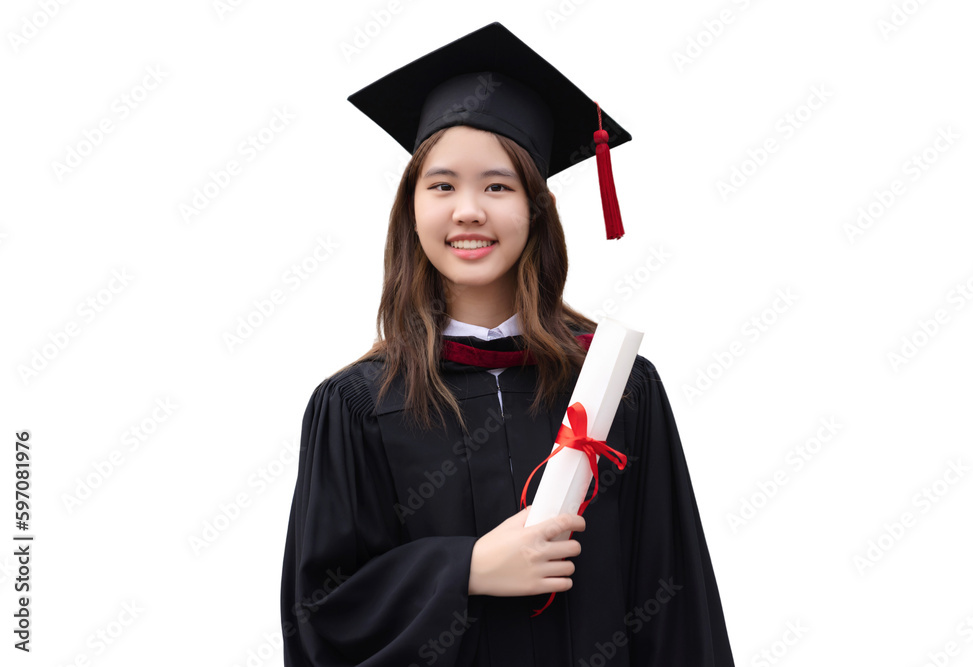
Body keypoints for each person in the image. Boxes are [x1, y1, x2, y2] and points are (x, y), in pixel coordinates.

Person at [280, 22, 736, 667]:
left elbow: (678, 602)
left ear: (537, 209)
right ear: (411, 210)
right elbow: (319, 620)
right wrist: (464, 567)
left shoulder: (617, 386)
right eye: (442, 186)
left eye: (497, 185)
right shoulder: (356, 405)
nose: (468, 210)